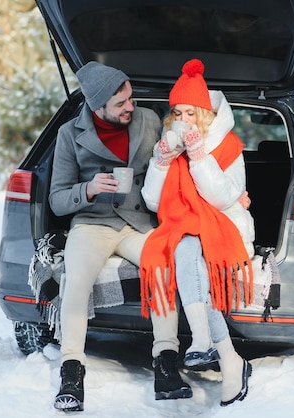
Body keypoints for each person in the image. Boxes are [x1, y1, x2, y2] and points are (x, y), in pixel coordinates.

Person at [48, 62, 191, 412]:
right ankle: (71, 369)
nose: (131, 106)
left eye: (130, 98)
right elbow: (56, 199)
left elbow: (174, 164)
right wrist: (89, 189)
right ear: (98, 107)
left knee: (162, 271)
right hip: (92, 223)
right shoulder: (70, 134)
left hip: (138, 221)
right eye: (121, 103)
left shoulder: (149, 121)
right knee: (76, 280)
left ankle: (166, 362)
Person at [141, 58, 254, 406]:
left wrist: (198, 156)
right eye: (178, 113)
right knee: (187, 252)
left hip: (223, 225)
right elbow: (150, 201)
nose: (183, 120)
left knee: (194, 261)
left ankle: (213, 348)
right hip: (184, 227)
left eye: (191, 113)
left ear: (205, 115)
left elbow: (222, 198)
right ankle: (221, 354)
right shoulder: (168, 145)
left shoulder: (229, 147)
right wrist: (160, 163)